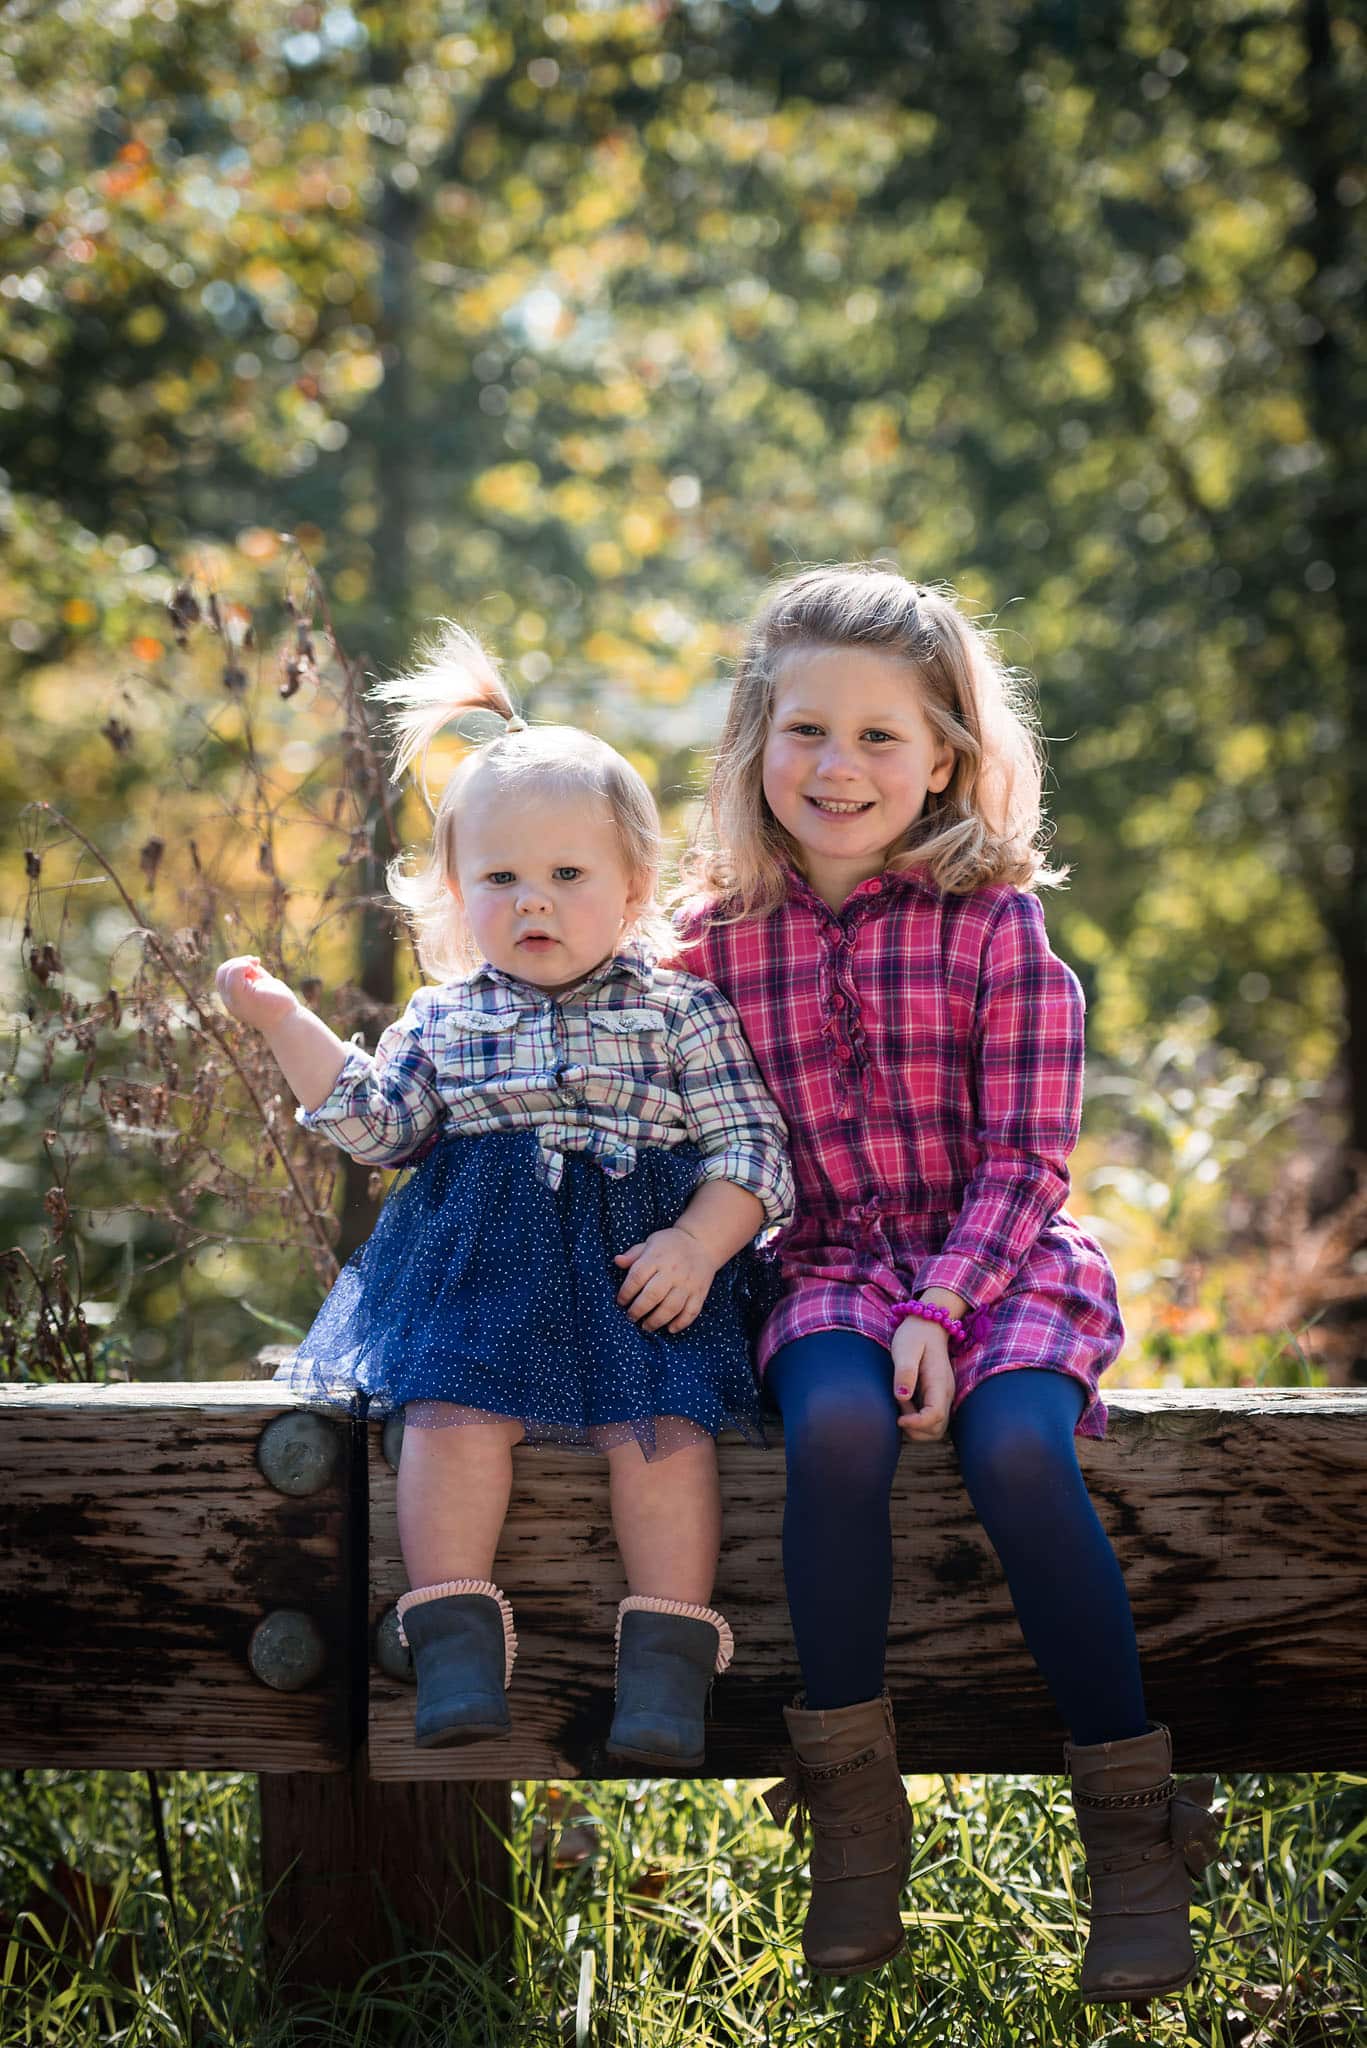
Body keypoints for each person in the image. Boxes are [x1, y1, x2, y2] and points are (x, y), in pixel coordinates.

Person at [669, 564, 1219, 1999]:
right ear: (752, 741)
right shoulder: (708, 947)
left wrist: (942, 1311)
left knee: (1019, 1444)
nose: (836, 767)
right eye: (804, 731)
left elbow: (1028, 1160)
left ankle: (1130, 1829)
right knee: (834, 1428)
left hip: (997, 1251)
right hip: (824, 1264)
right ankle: (851, 1816)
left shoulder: (997, 927)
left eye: (876, 737)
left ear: (946, 759)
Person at [216, 620, 792, 1769]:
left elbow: (752, 1151)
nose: (534, 901)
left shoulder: (679, 1012)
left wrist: (698, 1240)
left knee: (665, 1436)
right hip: (481, 1280)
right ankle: (454, 1639)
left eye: (567, 875)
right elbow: (383, 1124)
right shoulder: (445, 1017)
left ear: (633, 886)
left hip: (644, 1283)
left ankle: (668, 1668)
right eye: (501, 878)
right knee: (444, 1420)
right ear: (455, 891)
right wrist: (287, 1025)